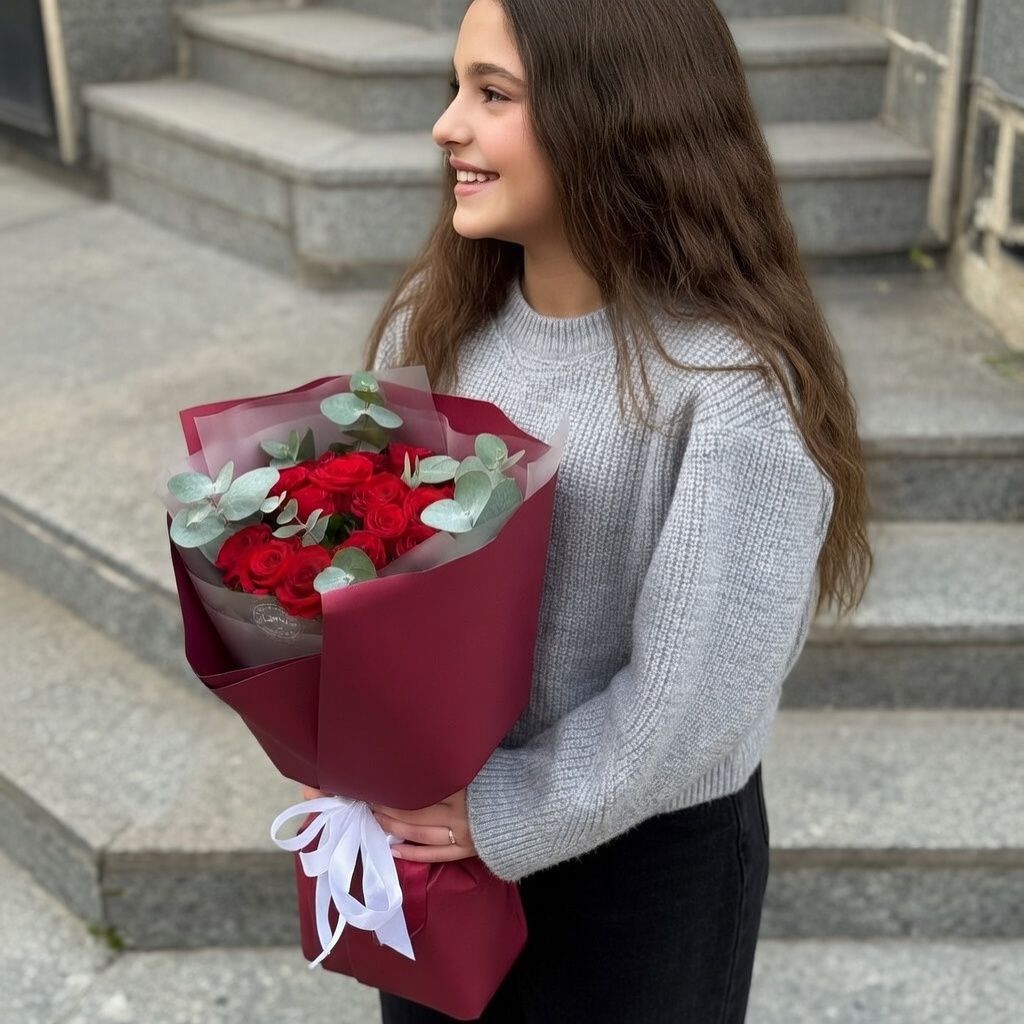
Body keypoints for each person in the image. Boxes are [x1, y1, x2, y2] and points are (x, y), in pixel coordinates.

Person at [306, 0, 872, 1020]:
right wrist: (353, 753)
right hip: (435, 830)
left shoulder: (728, 390)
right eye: (455, 88)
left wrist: (503, 812)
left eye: (493, 95)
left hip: (640, 875)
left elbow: (693, 703)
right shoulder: (434, 323)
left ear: (614, 114)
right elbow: (372, 575)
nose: (445, 126)